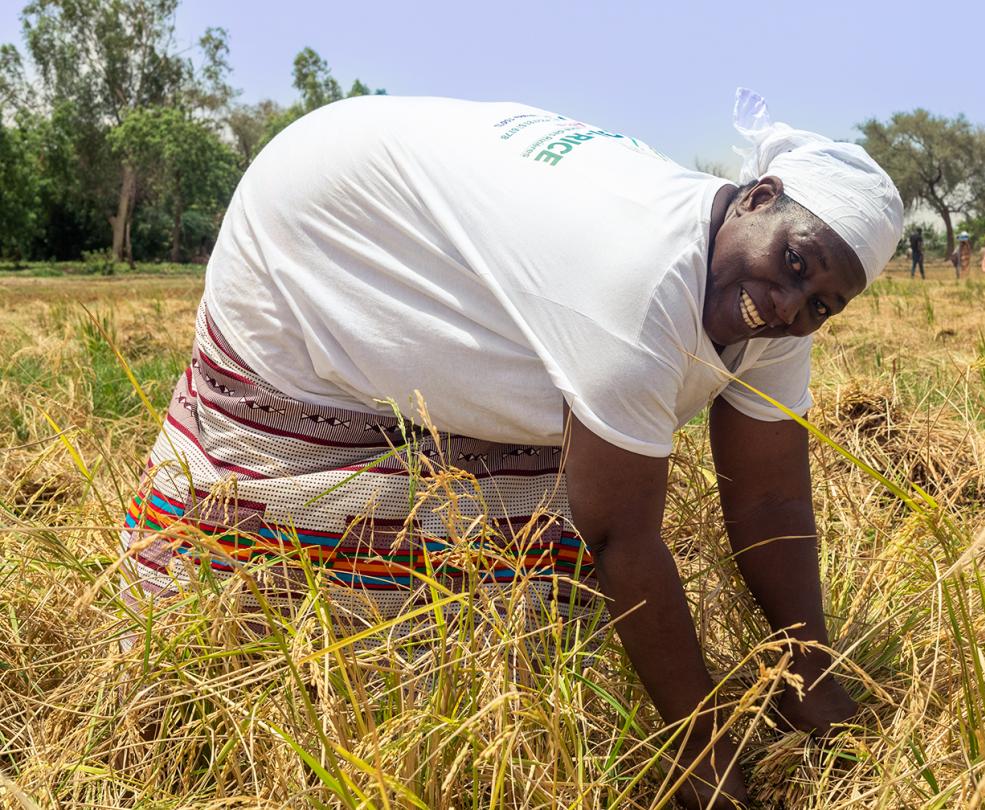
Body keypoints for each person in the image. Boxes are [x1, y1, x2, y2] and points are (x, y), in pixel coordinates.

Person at [117, 89, 903, 809]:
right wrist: (702, 754)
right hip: (322, 220)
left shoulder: (777, 292)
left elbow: (769, 497)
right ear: (758, 197)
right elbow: (621, 537)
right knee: (318, 531)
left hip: (419, 204)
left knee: (542, 526)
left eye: (821, 304)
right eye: (793, 267)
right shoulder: (643, 273)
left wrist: (813, 680)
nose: (785, 307)